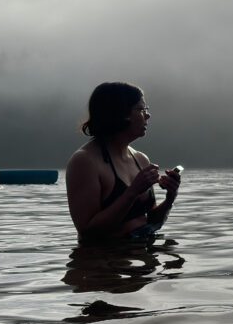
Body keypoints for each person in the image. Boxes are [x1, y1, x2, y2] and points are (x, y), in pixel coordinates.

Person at [66, 82, 181, 241]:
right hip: (103, 260)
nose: (148, 115)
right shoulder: (85, 161)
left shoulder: (140, 159)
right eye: (141, 110)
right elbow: (88, 231)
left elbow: (152, 222)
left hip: (142, 257)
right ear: (120, 113)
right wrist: (132, 192)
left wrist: (170, 197)